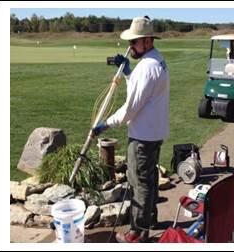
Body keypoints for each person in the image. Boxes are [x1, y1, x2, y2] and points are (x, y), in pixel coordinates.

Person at [92, 16, 170, 243]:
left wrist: (106, 123)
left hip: (143, 136)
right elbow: (141, 93)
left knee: (140, 183)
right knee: (150, 179)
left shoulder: (147, 67)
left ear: (147, 41)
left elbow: (130, 108)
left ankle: (137, 232)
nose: (130, 47)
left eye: (134, 42)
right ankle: (150, 218)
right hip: (154, 132)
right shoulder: (156, 60)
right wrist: (128, 73)